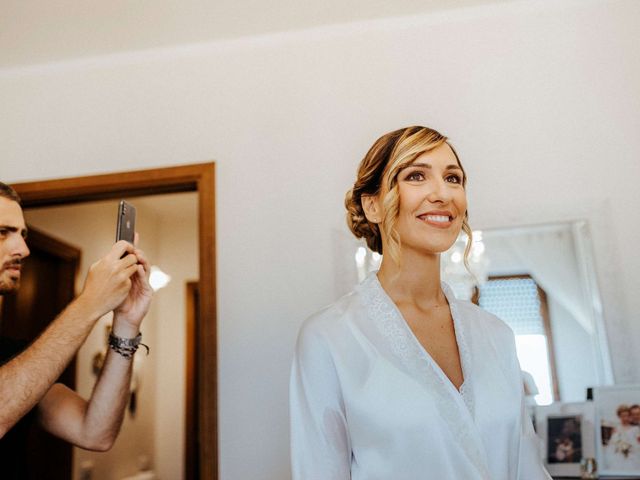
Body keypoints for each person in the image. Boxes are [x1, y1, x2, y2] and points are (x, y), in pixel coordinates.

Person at [290, 126, 550, 479]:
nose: (442, 194)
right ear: (373, 205)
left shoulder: (497, 335)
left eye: (453, 178)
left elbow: (527, 469)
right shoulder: (329, 338)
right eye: (416, 176)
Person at [0, 182, 153, 475]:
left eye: (23, 234)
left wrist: (126, 323)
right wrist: (91, 302)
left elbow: (94, 432)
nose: (24, 249)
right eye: (2, 232)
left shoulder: (12, 353)